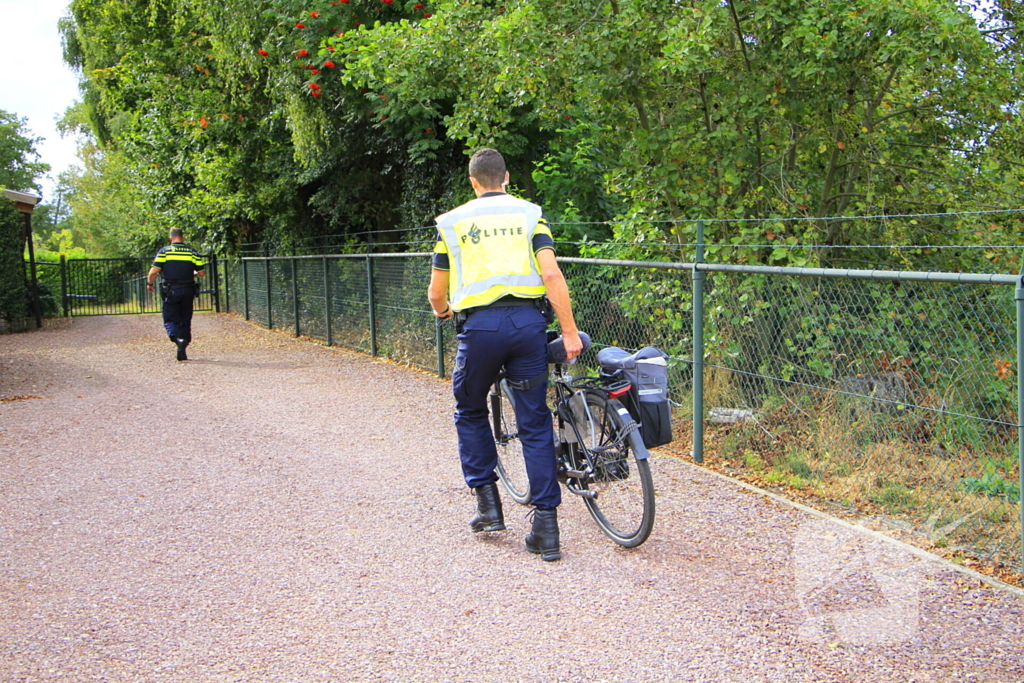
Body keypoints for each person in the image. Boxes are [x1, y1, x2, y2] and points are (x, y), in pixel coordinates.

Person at [428, 148, 583, 561]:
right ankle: (546, 528)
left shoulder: (453, 222)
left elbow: (437, 292)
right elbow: (551, 273)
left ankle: (488, 507)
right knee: (534, 420)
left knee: (470, 407)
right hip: (528, 326)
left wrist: (444, 311)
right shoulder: (530, 215)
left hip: (480, 330)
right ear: (507, 177)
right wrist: (569, 331)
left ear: (473, 182)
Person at [147, 228, 205, 361]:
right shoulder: (192, 252)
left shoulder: (165, 252)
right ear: (183, 238)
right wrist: (191, 275)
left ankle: (177, 339)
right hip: (188, 290)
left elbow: (153, 272)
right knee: (185, 318)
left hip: (171, 290)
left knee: (170, 318)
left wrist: (150, 284)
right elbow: (201, 273)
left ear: (170, 239)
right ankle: (183, 344)